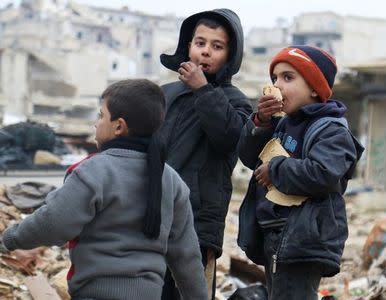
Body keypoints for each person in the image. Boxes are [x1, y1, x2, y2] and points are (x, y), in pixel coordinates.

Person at [0, 79, 208, 300]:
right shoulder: (172, 181)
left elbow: (54, 223)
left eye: (101, 116)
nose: (96, 124)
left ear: (119, 126)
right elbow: (187, 258)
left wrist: (9, 239)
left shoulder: (93, 171)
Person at [237, 45, 365, 300]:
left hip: (304, 239)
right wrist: (261, 123)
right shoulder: (283, 123)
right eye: (274, 78)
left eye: (288, 77)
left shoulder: (331, 130)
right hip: (277, 237)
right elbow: (250, 158)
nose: (277, 86)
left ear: (315, 87)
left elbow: (323, 173)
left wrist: (276, 169)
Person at [158, 8, 252, 300]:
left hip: (196, 226)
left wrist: (203, 91)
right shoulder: (165, 95)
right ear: (188, 46)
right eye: (200, 43)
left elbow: (229, 140)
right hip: (152, 217)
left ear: (230, 55)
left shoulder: (237, 102)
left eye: (217, 46)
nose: (206, 52)